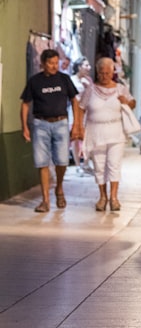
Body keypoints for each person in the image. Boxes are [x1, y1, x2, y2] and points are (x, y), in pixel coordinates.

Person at [20, 48, 82, 212]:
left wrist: (76, 124)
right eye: (51, 63)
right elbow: (25, 103)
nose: (55, 66)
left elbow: (74, 101)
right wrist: (24, 126)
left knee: (62, 161)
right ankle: (45, 200)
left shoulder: (64, 79)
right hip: (40, 124)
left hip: (61, 123)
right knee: (42, 163)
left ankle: (59, 187)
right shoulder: (34, 81)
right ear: (42, 64)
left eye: (56, 63)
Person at [78, 56, 136, 212]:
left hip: (116, 131)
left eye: (107, 73)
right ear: (97, 73)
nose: (104, 76)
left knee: (114, 165)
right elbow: (81, 107)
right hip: (96, 132)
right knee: (99, 166)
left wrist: (126, 102)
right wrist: (79, 127)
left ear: (113, 72)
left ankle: (114, 197)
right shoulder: (90, 90)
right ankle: (102, 196)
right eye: (101, 73)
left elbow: (133, 103)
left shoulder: (120, 88)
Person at [70, 56, 92, 169]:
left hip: (86, 112)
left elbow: (90, 97)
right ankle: (78, 164)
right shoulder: (71, 80)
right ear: (79, 67)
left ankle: (86, 162)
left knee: (87, 137)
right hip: (73, 111)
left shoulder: (88, 81)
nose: (89, 68)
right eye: (86, 65)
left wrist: (87, 87)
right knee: (75, 137)